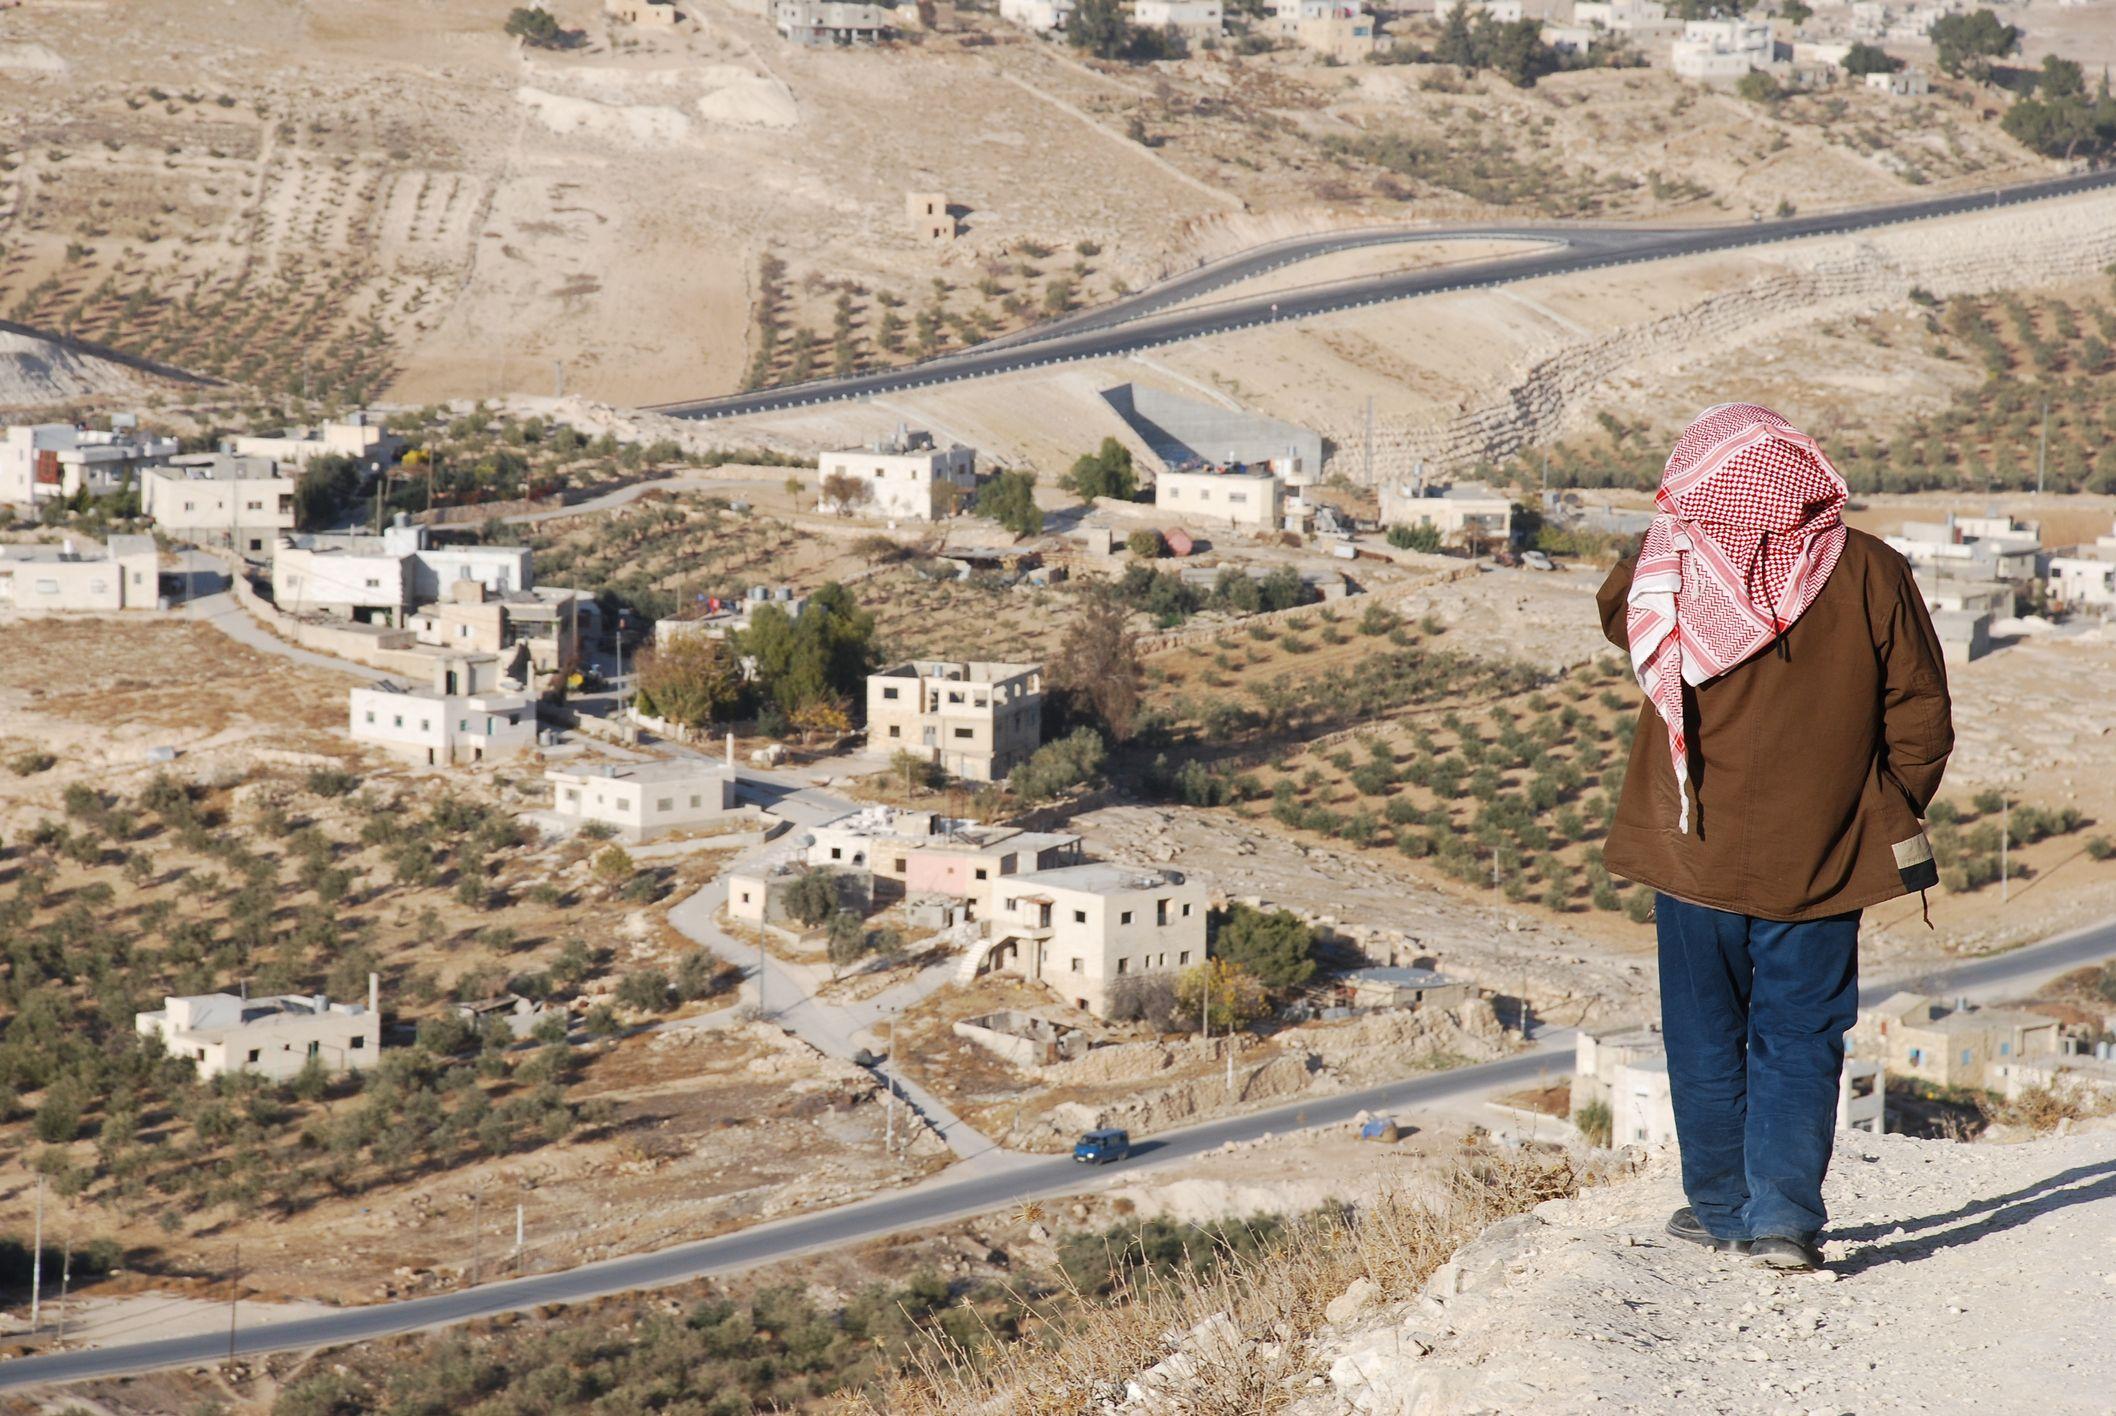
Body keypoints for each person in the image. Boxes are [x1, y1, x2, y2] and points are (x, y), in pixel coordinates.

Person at [1596, 403, 1953, 1271]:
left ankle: (1721, 1209)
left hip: (1693, 855)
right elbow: (1923, 718)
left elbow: (1618, 619)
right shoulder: (1871, 569)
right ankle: (1784, 1221)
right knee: (1801, 1035)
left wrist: (1671, 532)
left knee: (1704, 1033)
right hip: (1825, 855)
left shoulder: (1669, 568)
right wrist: (1878, 807)